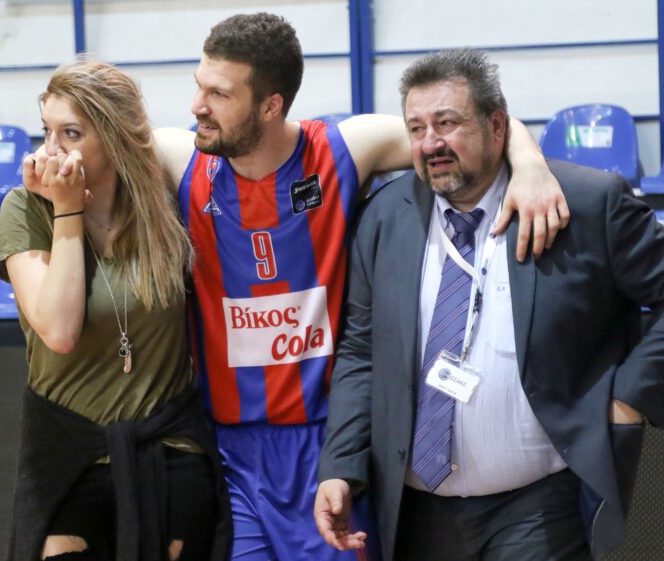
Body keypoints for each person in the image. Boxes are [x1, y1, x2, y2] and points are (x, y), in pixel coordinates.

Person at [29, 13, 568, 561]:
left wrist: (530, 165)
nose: (197, 106)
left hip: (329, 447)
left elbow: (466, 130)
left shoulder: (344, 149)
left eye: (219, 94)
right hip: (229, 452)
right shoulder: (181, 157)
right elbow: (97, 134)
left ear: (271, 106)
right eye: (199, 86)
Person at [315, 47, 664, 561]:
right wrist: (340, 465)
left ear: (497, 126)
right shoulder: (384, 218)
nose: (430, 143)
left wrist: (630, 397)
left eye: (447, 123)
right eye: (416, 128)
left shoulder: (585, 204)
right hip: (417, 511)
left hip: (540, 503)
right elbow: (361, 352)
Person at [0, 58, 231, 561]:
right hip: (68, 451)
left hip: (168, 446)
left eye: (71, 133)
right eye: (47, 130)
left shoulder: (165, 201)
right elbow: (59, 330)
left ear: (116, 139)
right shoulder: (25, 208)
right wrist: (67, 209)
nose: (50, 150)